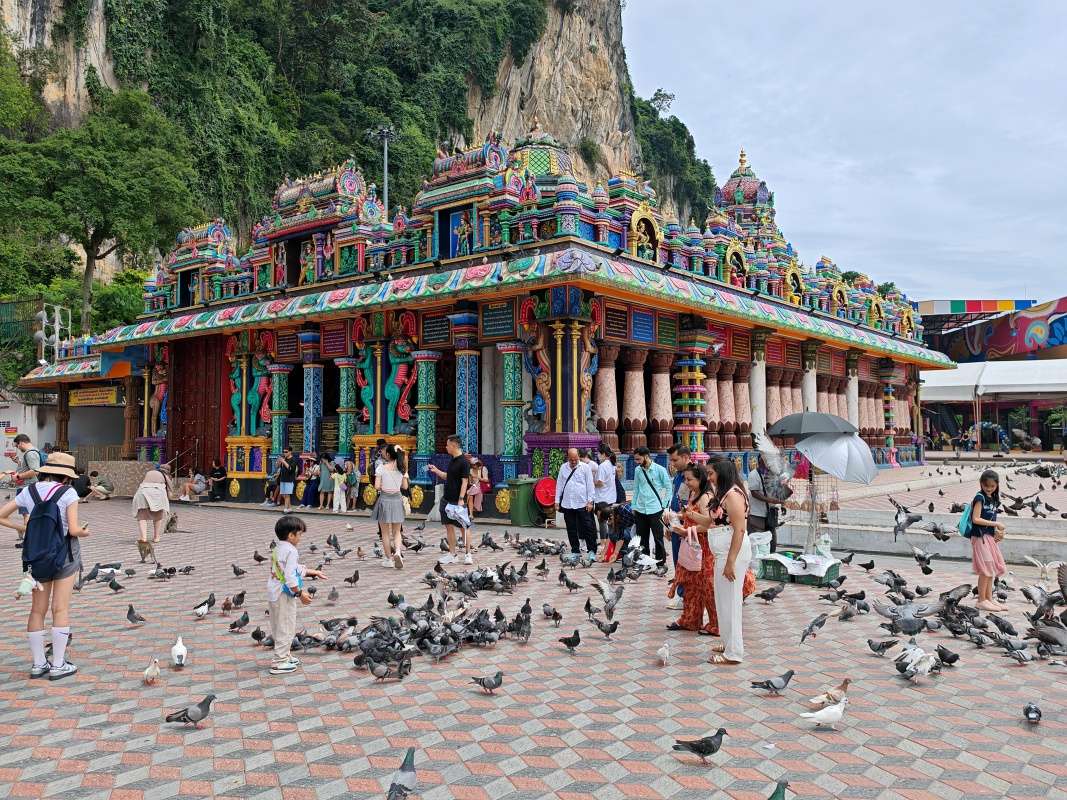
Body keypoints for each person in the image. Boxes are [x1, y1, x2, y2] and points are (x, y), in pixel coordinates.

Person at [0, 451, 88, 680]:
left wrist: (24, 530)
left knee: (37, 610)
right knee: (60, 609)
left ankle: (39, 664)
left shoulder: (28, 492)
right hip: (64, 555)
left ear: (45, 471)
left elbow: (1, 515)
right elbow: (74, 530)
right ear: (67, 476)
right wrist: (85, 532)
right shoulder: (68, 492)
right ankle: (58, 665)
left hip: (37, 556)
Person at [706, 458, 752, 665]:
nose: (709, 478)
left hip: (732, 553)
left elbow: (739, 530)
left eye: (711, 473)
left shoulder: (733, 495)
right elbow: (713, 522)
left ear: (722, 473)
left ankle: (734, 652)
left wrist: (731, 562)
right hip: (722, 553)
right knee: (722, 599)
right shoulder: (723, 494)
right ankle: (727, 641)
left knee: (731, 601)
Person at [266, 515, 325, 675]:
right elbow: (291, 576)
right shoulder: (291, 550)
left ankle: (285, 655)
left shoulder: (278, 548)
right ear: (291, 535)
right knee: (286, 627)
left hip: (273, 592)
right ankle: (279, 662)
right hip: (285, 594)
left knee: (278, 625)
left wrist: (313, 571)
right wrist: (300, 594)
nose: (301, 537)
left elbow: (290, 569)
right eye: (300, 534)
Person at [668, 464, 717, 634]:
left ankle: (715, 624)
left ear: (701, 479)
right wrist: (677, 517)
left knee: (707, 587)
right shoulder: (694, 493)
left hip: (702, 546)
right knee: (691, 585)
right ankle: (690, 619)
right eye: (686, 479)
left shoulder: (705, 497)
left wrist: (686, 531)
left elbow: (709, 524)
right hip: (691, 544)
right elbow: (690, 515)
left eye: (690, 479)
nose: (687, 482)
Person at [428, 435, 473, 565]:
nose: (446, 447)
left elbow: (465, 482)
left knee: (464, 527)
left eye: (448, 445)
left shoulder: (464, 462)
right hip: (446, 499)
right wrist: (436, 471)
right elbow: (449, 476)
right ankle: (452, 554)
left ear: (453, 445)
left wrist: (460, 499)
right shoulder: (452, 460)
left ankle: (468, 554)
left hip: (457, 501)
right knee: (449, 526)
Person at [970, 469, 1007, 611]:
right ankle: (981, 600)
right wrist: (996, 524)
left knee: (991, 567)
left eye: (992, 486)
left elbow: (990, 518)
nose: (989, 489)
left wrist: (996, 533)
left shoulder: (993, 499)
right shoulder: (980, 497)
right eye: (987, 486)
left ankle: (989, 598)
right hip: (979, 536)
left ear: (997, 485)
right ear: (981, 484)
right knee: (986, 568)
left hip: (988, 537)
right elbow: (976, 519)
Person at [631, 446, 671, 566]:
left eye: (638, 459)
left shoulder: (660, 470)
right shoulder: (638, 470)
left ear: (646, 457)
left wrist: (664, 505)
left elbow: (668, 488)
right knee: (642, 539)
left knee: (658, 539)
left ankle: (660, 564)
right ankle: (645, 563)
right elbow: (636, 488)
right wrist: (634, 506)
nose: (636, 462)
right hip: (640, 509)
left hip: (656, 509)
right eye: (635, 460)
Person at [665, 444, 694, 608]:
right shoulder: (678, 476)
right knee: (678, 561)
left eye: (675, 459)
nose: (672, 463)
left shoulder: (693, 475)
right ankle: (683, 595)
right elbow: (675, 500)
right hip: (676, 523)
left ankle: (688, 596)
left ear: (685, 457)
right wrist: (669, 525)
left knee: (689, 562)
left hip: (688, 526)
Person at [554, 448, 596, 556]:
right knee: (571, 528)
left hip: (582, 503)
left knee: (588, 527)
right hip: (568, 503)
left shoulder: (585, 468)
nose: (573, 462)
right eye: (571, 460)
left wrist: (590, 501)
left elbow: (590, 485)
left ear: (579, 457)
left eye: (575, 459)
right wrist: (557, 501)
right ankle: (575, 551)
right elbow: (559, 485)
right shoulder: (563, 467)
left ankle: (592, 551)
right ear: (567, 458)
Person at [748, 454, 792, 553]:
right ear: (760, 461)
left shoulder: (774, 475)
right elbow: (754, 493)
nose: (770, 463)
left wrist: (784, 485)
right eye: (767, 460)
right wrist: (772, 500)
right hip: (757, 515)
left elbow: (786, 493)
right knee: (758, 544)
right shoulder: (754, 474)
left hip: (771, 515)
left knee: (772, 544)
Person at [374, 444, 409, 568]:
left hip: (384, 499)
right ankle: (398, 552)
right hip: (397, 499)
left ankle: (389, 559)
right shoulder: (402, 469)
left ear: (388, 455)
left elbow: (377, 486)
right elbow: (405, 487)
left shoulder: (381, 468)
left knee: (385, 533)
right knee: (397, 531)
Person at [132, 465, 172, 543]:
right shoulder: (166, 477)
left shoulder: (150, 472)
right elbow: (170, 493)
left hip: (143, 492)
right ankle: (156, 537)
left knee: (142, 516)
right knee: (157, 516)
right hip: (158, 494)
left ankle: (143, 538)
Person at [593, 444, 617, 560]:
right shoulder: (612, 464)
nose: (598, 455)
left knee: (602, 521)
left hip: (602, 497)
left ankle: (603, 544)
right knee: (610, 522)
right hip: (611, 497)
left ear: (603, 454)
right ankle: (609, 543)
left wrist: (591, 482)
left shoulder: (603, 466)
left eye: (599, 453)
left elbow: (600, 482)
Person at [276, 448, 296, 512]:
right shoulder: (284, 459)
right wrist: (279, 462)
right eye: (284, 452)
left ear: (290, 452)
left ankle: (285, 508)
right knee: (284, 494)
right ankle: (289, 508)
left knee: (287, 494)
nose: (285, 453)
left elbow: (290, 469)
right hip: (283, 479)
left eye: (286, 452)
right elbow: (278, 467)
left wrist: (284, 462)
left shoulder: (293, 459)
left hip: (289, 479)